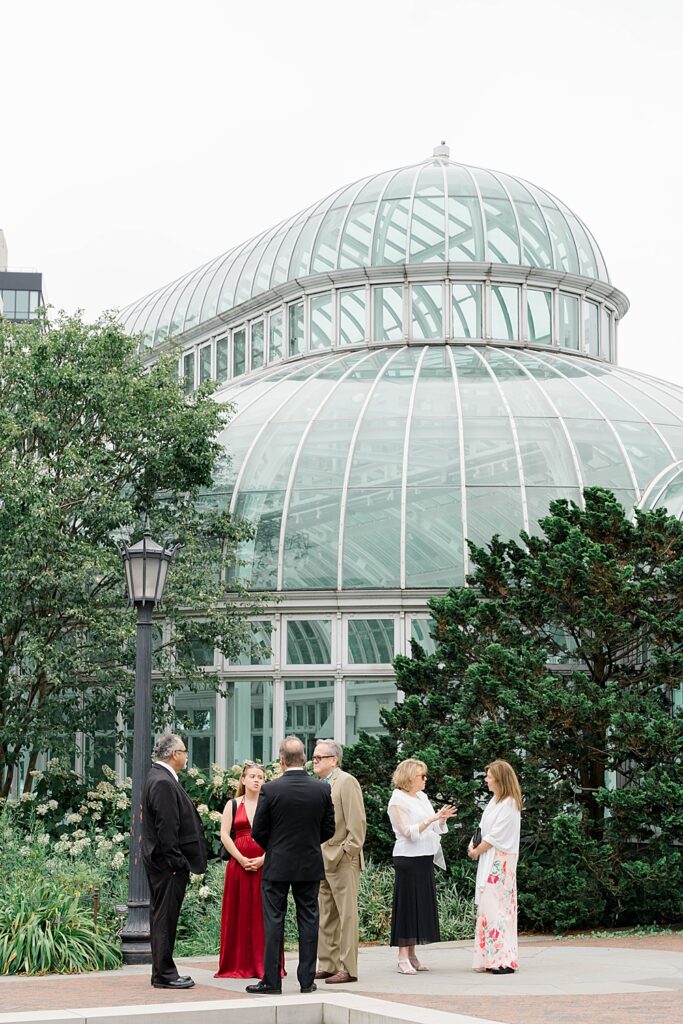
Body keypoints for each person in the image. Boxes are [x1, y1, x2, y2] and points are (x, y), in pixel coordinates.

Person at [246, 736, 335, 996]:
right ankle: (307, 981)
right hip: (308, 863)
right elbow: (329, 828)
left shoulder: (271, 789)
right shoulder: (321, 789)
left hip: (278, 864)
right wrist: (307, 844)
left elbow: (258, 831)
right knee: (309, 919)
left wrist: (275, 848)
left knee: (274, 921)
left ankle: (272, 981)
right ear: (305, 759)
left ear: (282, 761)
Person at [141, 733, 208, 990]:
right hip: (167, 864)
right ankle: (165, 974)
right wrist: (177, 861)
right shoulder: (162, 781)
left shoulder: (160, 778)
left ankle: (163, 972)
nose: (186, 755)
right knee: (165, 918)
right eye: (184, 750)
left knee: (163, 916)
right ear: (173, 754)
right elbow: (167, 826)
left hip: (164, 862)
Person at [215, 761, 285, 979]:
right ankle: (237, 963)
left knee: (264, 915)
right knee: (239, 913)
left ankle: (265, 964)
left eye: (261, 777)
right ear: (243, 780)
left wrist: (264, 859)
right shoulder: (233, 804)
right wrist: (242, 858)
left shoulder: (271, 804)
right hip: (239, 866)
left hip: (265, 864)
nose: (257, 780)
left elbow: (278, 836)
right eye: (252, 776)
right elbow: (225, 835)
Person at [387, 758, 456, 975]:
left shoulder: (422, 797)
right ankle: (402, 956)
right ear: (409, 777)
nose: (425, 779)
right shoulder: (397, 800)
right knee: (407, 906)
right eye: (421, 776)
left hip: (425, 856)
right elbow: (407, 831)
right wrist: (431, 819)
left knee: (420, 906)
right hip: (408, 858)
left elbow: (434, 827)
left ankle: (413, 953)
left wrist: (441, 819)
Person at [312, 740, 366, 985]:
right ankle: (327, 964)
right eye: (313, 757)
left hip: (343, 859)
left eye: (319, 758)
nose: (314, 761)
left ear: (334, 760)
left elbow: (357, 821)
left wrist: (348, 851)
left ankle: (348, 968)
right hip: (321, 858)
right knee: (327, 916)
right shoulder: (318, 784)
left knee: (346, 917)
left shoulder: (346, 781)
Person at [468, 759, 522, 975]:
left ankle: (503, 958)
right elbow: (483, 829)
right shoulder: (494, 802)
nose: (487, 780)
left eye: (490, 776)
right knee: (488, 909)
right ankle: (490, 956)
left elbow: (496, 836)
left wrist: (477, 850)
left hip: (500, 861)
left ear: (500, 779)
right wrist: (472, 843)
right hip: (490, 857)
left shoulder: (509, 803)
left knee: (498, 909)